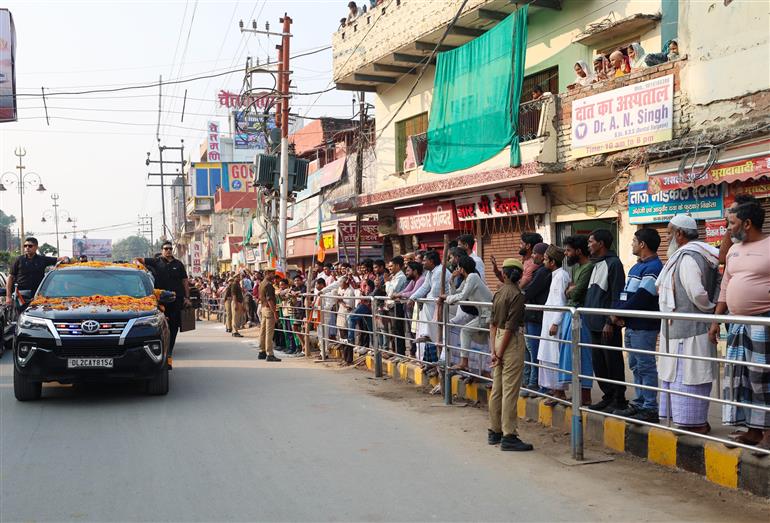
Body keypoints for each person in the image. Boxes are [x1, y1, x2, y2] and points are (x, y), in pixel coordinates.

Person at [710, 198, 770, 450]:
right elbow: (725, 285)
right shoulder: (734, 250)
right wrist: (716, 320)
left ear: (747, 223)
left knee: (762, 379)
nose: (728, 229)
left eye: (731, 224)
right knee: (740, 379)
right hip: (736, 324)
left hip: (762, 323)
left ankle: (768, 433)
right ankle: (753, 430)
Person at [656, 214, 719, 434]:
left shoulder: (689, 257)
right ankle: (684, 422)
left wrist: (711, 308)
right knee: (679, 376)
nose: (667, 236)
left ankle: (695, 423)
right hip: (679, 330)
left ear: (680, 235)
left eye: (669, 231)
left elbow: (697, 293)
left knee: (690, 376)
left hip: (691, 330)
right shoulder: (686, 255)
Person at [611, 228, 664, 423]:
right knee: (634, 364)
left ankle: (650, 406)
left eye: (634, 241)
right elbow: (625, 294)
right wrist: (617, 311)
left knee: (645, 365)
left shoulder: (654, 267)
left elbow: (643, 296)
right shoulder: (636, 267)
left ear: (642, 244)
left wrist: (620, 312)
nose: (631, 244)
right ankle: (640, 401)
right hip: (632, 324)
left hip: (644, 326)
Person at [487, 258, 533, 452]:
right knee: (510, 390)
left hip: (497, 339)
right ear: (519, 275)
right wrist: (500, 352)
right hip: (511, 341)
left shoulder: (498, 293)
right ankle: (509, 435)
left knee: (497, 388)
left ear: (504, 274)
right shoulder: (517, 295)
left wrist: (494, 351)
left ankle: (494, 431)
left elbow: (493, 325)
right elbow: (510, 328)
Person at [584, 229, 627, 412]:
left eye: (591, 241)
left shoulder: (614, 264)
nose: (588, 245)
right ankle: (607, 396)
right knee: (599, 363)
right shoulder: (596, 264)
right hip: (593, 324)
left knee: (613, 362)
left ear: (601, 244)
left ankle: (618, 399)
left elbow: (617, 294)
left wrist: (610, 321)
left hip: (606, 325)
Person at [137, 241, 191, 365]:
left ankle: (170, 350)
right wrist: (139, 267)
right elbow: (138, 259)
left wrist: (187, 297)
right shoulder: (156, 262)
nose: (168, 251)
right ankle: (161, 349)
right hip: (160, 300)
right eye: (166, 248)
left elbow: (185, 281)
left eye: (170, 249)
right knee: (161, 325)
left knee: (174, 326)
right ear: (162, 250)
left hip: (176, 299)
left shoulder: (178, 264)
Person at [440, 254, 493, 372]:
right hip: (483, 314)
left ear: (462, 268)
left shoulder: (473, 277)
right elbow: (456, 293)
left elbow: (462, 296)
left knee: (466, 331)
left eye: (458, 267)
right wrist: (452, 280)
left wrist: (447, 298)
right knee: (486, 343)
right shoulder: (467, 279)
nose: (457, 270)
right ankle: (483, 372)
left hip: (488, 314)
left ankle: (464, 363)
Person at [557, 235, 594, 404]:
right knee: (570, 354)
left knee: (582, 355)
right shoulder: (577, 268)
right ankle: (578, 393)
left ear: (578, 251)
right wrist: (570, 289)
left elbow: (576, 291)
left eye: (569, 250)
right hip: (571, 315)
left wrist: (570, 290)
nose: (566, 253)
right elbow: (569, 290)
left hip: (582, 317)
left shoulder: (588, 267)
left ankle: (585, 396)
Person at [538, 245, 571, 405]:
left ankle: (560, 391)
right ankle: (552, 389)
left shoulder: (561, 276)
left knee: (555, 356)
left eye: (545, 259)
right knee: (547, 355)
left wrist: (556, 322)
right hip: (549, 319)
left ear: (552, 261)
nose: (543, 261)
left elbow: (560, 301)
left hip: (554, 321)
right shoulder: (555, 275)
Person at [409, 250, 450, 363]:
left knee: (426, 304)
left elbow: (435, 293)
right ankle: (427, 334)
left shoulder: (439, 272)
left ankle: (427, 333)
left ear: (431, 261)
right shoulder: (430, 272)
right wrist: (412, 297)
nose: (422, 263)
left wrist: (417, 299)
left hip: (446, 306)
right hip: (436, 307)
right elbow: (424, 287)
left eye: (424, 260)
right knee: (425, 304)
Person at [521, 242, 550, 396]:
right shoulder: (539, 271)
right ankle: (528, 381)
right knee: (528, 349)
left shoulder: (543, 272)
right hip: (531, 316)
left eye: (535, 253)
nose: (533, 256)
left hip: (536, 317)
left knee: (534, 350)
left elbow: (530, 291)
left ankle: (534, 383)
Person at [6, 237, 63, 312]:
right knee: (20, 315)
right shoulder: (19, 260)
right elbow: (10, 277)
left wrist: (65, 259)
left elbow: (59, 259)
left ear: (36, 247)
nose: (27, 248)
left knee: (37, 315)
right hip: (21, 295)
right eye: (25, 246)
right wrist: (8, 296)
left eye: (30, 246)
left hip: (38, 295)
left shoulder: (42, 259)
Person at [257, 269, 282, 362]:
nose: (274, 275)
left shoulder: (262, 283)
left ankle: (262, 351)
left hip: (263, 308)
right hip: (268, 309)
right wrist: (275, 312)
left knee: (263, 331)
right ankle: (269, 353)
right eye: (272, 273)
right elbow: (270, 300)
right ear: (267, 273)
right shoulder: (268, 285)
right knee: (269, 332)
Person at [386, 256, 408, 356]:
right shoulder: (394, 276)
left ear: (398, 266)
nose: (389, 268)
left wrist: (387, 282)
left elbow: (391, 292)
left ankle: (401, 353)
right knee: (394, 330)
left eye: (391, 266)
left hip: (398, 305)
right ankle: (396, 353)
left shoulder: (401, 277)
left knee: (398, 330)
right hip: (391, 306)